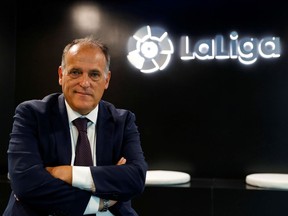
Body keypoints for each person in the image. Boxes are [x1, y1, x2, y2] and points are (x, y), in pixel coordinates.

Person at [3, 36, 148, 216]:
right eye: (75, 72)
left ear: (107, 79)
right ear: (60, 75)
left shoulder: (123, 121)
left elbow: (135, 179)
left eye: (94, 74)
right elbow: (26, 183)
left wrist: (69, 173)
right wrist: (101, 201)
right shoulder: (32, 115)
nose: (84, 83)